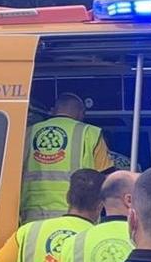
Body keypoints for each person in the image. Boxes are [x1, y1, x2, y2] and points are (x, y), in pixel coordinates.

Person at [21, 92, 114, 222]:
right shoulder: (89, 133)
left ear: (53, 110)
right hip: (77, 215)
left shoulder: (27, 132)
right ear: (81, 113)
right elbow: (107, 178)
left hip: (32, 216)